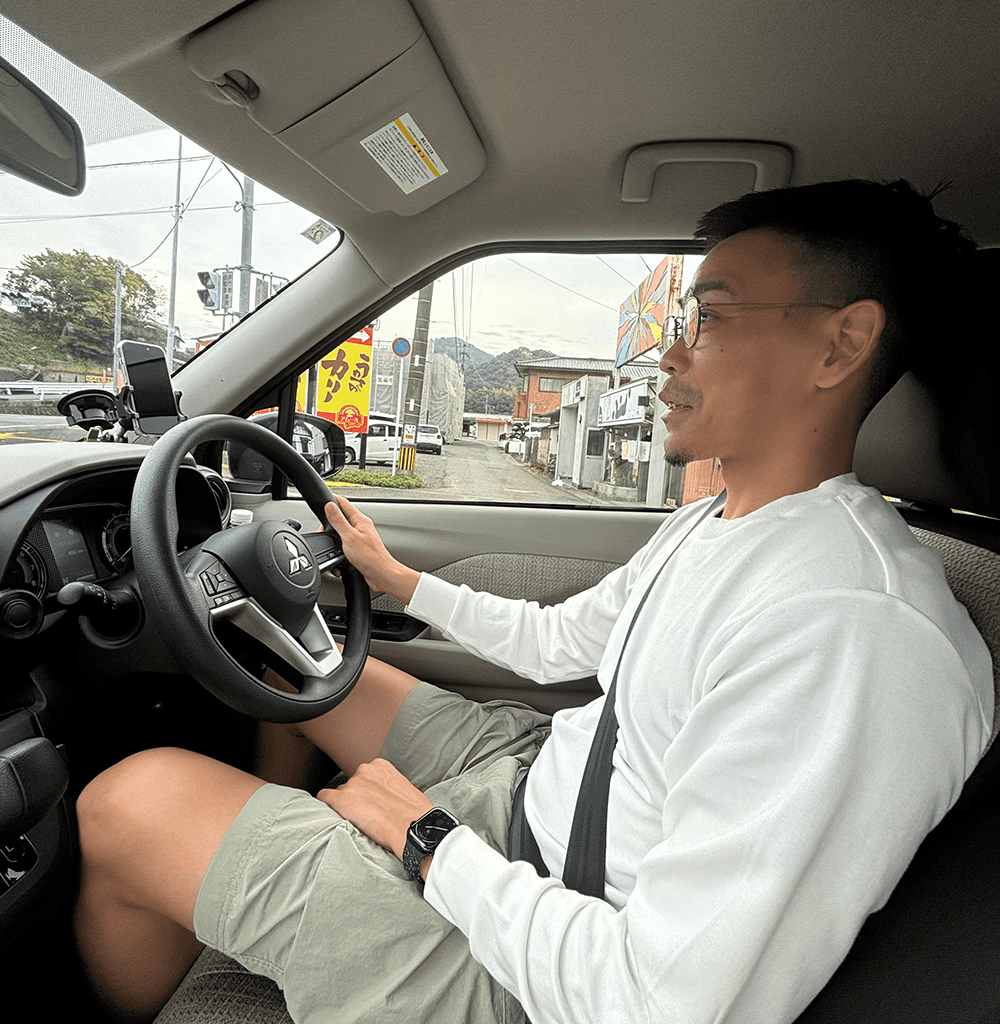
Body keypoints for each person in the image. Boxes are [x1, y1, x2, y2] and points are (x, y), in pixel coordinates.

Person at [74, 179, 992, 1024]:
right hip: (543, 781)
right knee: (295, 663)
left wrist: (423, 838)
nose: (669, 356)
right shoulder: (726, 520)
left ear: (841, 343)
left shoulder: (850, 628)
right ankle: (250, 887)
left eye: (709, 321)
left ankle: (238, 889)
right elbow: (562, 644)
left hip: (546, 961)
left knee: (125, 801)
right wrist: (398, 583)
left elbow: (657, 1003)